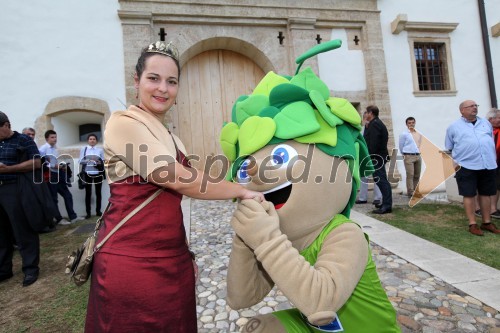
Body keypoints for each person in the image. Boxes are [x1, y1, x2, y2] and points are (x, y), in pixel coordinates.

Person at [85, 40, 264, 333]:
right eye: (153, 78)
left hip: (173, 260)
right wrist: (240, 191)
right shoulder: (123, 123)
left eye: (171, 81)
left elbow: (176, 197)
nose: (162, 89)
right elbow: (177, 178)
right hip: (131, 260)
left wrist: (185, 252)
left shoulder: (170, 136)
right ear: (136, 81)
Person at [445, 100, 500, 236]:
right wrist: (456, 162)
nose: (474, 108)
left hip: (487, 164)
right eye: (471, 106)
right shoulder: (454, 127)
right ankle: (472, 223)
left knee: (486, 193)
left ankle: (487, 222)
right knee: (469, 193)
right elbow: (449, 146)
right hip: (466, 165)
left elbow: (490, 140)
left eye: (476, 105)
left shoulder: (485, 123)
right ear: (462, 110)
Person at [0, 111, 41, 287]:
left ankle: (30, 268)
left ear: (6, 125)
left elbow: (36, 162)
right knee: (1, 233)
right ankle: (3, 269)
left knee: (22, 229)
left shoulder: (23, 140)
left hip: (15, 188)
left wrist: (8, 169)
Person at [39, 130, 84, 225]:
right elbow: (42, 164)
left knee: (67, 195)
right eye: (52, 137)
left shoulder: (54, 149)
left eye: (55, 137)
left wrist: (61, 166)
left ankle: (73, 217)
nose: (55, 139)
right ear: (47, 138)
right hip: (50, 176)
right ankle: (59, 219)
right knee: (54, 198)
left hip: (58, 174)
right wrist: (54, 166)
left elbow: (53, 162)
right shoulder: (43, 149)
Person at [363, 105, 393, 214]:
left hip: (377, 157)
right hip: (378, 156)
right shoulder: (374, 123)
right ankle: (386, 203)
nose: (365, 114)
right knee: (381, 180)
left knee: (381, 181)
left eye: (366, 112)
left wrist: (370, 157)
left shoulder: (375, 124)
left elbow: (373, 143)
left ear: (371, 113)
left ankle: (387, 205)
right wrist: (366, 128)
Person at [474, 108, 500, 219]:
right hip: (481, 161)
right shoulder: (480, 129)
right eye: (499, 118)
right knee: (478, 185)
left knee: (497, 186)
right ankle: (477, 208)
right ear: (491, 119)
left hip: (497, 162)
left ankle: (493, 209)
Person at [356, 111, 382, 204]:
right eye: (365, 117)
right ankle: (363, 198)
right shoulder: (360, 130)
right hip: (364, 156)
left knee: (377, 176)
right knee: (363, 177)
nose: (366, 119)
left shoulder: (375, 127)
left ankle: (377, 197)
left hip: (374, 155)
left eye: (367, 117)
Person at [79, 134, 105, 219]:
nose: (92, 140)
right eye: (90, 139)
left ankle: (98, 211)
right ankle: (88, 213)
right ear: (88, 140)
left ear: (96, 141)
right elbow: (80, 160)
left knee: (98, 193)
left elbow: (103, 160)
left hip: (98, 173)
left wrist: (98, 162)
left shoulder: (100, 150)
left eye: (94, 139)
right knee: (88, 193)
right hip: (87, 173)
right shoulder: (84, 149)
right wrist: (90, 160)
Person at [398, 117, 422, 197]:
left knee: (417, 175)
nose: (411, 124)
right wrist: (404, 153)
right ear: (406, 124)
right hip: (408, 155)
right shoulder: (404, 134)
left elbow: (419, 144)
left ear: (415, 123)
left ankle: (416, 191)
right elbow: (401, 145)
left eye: (412, 122)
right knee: (410, 174)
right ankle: (410, 192)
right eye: (409, 123)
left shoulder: (418, 134)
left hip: (417, 155)